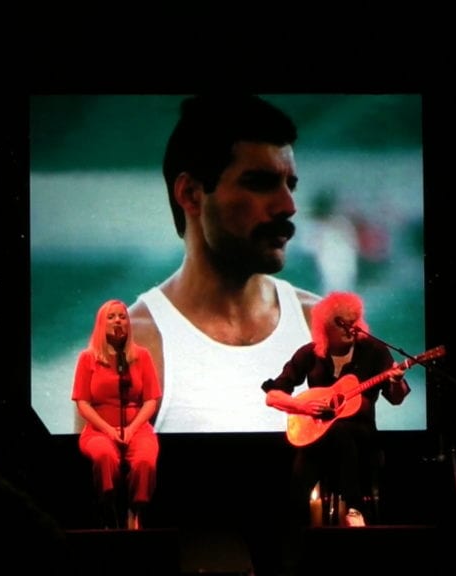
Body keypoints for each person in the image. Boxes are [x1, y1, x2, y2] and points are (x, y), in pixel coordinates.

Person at [128, 94, 319, 433]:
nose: (288, 206)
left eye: (290, 186)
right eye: (260, 183)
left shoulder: (321, 324)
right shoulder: (134, 345)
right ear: (190, 194)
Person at [262, 291, 410, 527]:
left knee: (338, 432)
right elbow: (273, 396)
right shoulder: (310, 354)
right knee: (317, 449)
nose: (350, 329)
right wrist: (302, 406)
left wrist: (396, 381)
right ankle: (298, 530)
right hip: (318, 437)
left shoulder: (374, 352)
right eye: (341, 323)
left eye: (354, 322)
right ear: (325, 327)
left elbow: (397, 398)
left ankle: (354, 507)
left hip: (362, 437)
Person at [72, 299, 161, 529]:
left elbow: (151, 400)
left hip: (137, 428)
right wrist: (108, 430)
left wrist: (132, 429)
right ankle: (108, 512)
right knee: (104, 456)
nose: (118, 321)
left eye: (122, 316)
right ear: (101, 324)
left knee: (145, 460)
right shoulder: (88, 358)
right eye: (111, 317)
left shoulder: (141, 356)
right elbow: (82, 402)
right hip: (99, 430)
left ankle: (135, 512)